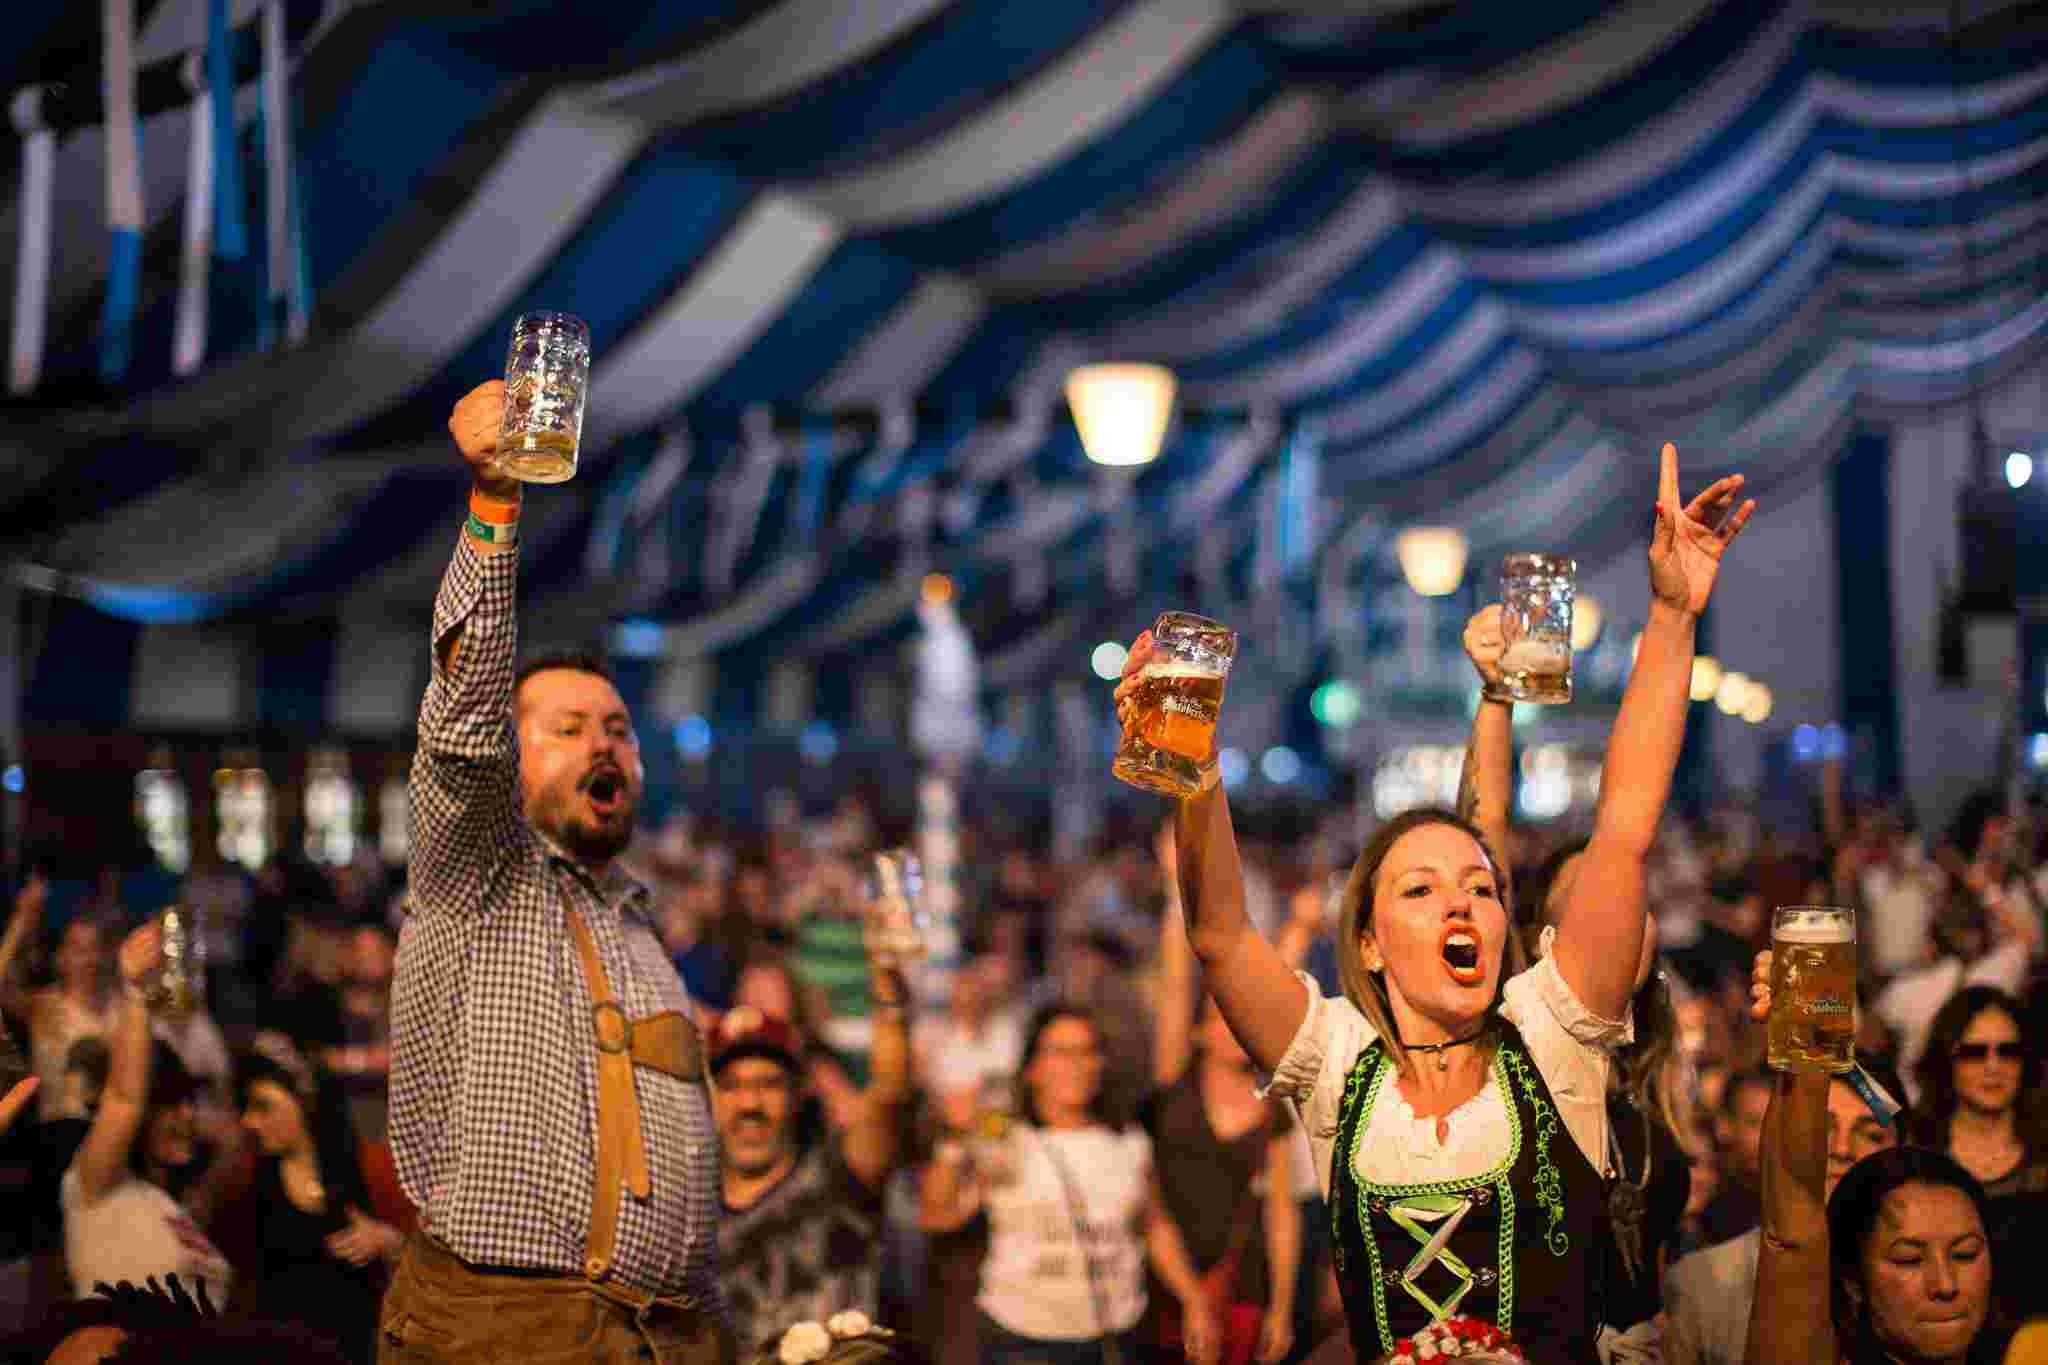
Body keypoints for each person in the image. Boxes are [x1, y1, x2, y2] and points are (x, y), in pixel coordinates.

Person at [1127, 444, 1753, 1365]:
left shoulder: (1555, 1037)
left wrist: (1671, 614)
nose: (1462, 902)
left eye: (1481, 887)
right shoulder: (1336, 1063)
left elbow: (1622, 825)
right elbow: (1220, 934)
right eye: (1419, 889)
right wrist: (1192, 768)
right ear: (1371, 942)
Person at [379, 380, 729, 1364]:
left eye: (616, 729)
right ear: (512, 756)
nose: (601, 745)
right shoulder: (476, 877)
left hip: (651, 1337)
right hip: (502, 1332)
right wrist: (494, 508)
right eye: (567, 730)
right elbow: (458, 729)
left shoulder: (636, 927)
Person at [920, 1005, 1221, 1365]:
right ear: (1033, 1068)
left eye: (1087, 1051)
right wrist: (953, 1140)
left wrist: (1193, 1299)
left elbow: (1155, 1225)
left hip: (1116, 1338)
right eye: (1061, 1052)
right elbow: (937, 1216)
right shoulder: (1003, 1139)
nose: (1076, 1065)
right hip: (1022, 1340)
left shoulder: (1128, 1141)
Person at [713, 901, 914, 1352]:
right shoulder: (686, 1210)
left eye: (768, 1085)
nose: (750, 1103)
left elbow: (890, 1095)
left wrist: (889, 994)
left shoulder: (836, 1181)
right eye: (731, 1086)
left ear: (799, 1092)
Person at [1663, 1047, 1907, 1365]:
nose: (1843, 1149)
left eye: (1871, 1135)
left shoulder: (1931, 1278)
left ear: (1903, 1150)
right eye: (1821, 1129)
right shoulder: (1701, 1285)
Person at [1150, 883, 1299, 1365]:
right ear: (1198, 1033)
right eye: (1221, 1017)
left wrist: (1283, 1307)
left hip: (1244, 1288)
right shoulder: (1176, 1083)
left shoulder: (1269, 1102)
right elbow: (1175, 988)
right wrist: (1179, 894)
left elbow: (1281, 1215)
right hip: (1167, 1283)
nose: (1236, 1025)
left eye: (1241, 1016)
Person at [60, 921, 239, 1305]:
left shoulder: (178, 1206)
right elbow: (125, 1098)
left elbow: (235, 1137)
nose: (187, 1115)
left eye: (189, 1102)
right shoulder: (95, 1183)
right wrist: (135, 990)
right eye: (170, 1105)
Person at [221, 1031, 400, 1364]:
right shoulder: (245, 1183)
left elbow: (421, 1258)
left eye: (264, 1106)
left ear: (303, 1101)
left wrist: (387, 1240)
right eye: (248, 1108)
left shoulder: (365, 1168)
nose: (250, 1121)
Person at [1910, 987, 2047, 1198]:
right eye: (1973, 1053)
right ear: (1946, 1060)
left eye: (2008, 1052)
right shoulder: (1913, 1151)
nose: (1993, 1066)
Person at [0, 878, 117, 1123]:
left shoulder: (121, 1007)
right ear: (60, 958)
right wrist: (20, 922)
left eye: (94, 948)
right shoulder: (45, 1005)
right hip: (58, 1136)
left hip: (108, 1135)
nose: (88, 959)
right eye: (78, 949)